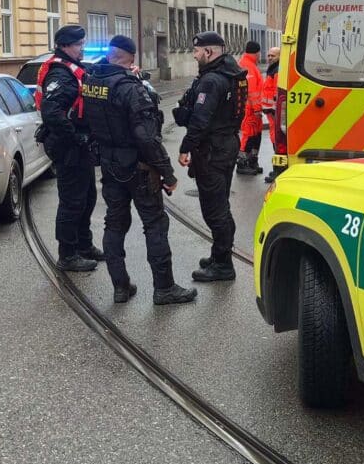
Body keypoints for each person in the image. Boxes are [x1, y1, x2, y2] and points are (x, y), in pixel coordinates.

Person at [83, 35, 198, 305]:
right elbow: (147, 137)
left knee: (114, 223)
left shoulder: (91, 82)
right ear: (132, 59)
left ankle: (120, 287)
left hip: (110, 165)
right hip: (139, 167)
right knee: (155, 224)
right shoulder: (131, 89)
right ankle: (164, 288)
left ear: (110, 55)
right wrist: (168, 174)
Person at [172, 31, 247, 282]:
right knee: (220, 204)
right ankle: (219, 254)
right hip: (225, 145)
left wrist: (185, 147)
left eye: (197, 51)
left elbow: (201, 121)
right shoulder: (231, 73)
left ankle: (223, 264)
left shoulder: (213, 80)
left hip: (213, 150)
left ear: (209, 52)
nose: (194, 55)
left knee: (215, 209)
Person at [37, 25, 103, 272]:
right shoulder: (60, 74)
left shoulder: (73, 68)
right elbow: (51, 112)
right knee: (72, 201)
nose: (82, 48)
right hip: (68, 146)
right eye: (78, 45)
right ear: (65, 45)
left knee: (87, 197)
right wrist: (75, 137)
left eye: (83, 43)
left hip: (79, 145)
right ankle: (67, 254)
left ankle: (84, 245)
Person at [236, 41, 264, 176]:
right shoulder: (248, 66)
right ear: (257, 52)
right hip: (250, 109)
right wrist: (258, 108)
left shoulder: (250, 64)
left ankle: (252, 161)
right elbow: (252, 91)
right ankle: (242, 163)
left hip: (252, 108)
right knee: (248, 135)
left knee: (255, 135)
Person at [261, 46, 286, 183]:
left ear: (280, 57)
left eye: (273, 56)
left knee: (278, 142)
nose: (270, 58)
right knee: (275, 141)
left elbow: (278, 92)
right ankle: (277, 169)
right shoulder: (272, 70)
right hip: (271, 113)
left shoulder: (277, 71)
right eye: (269, 55)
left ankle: (278, 171)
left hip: (275, 113)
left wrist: (274, 110)